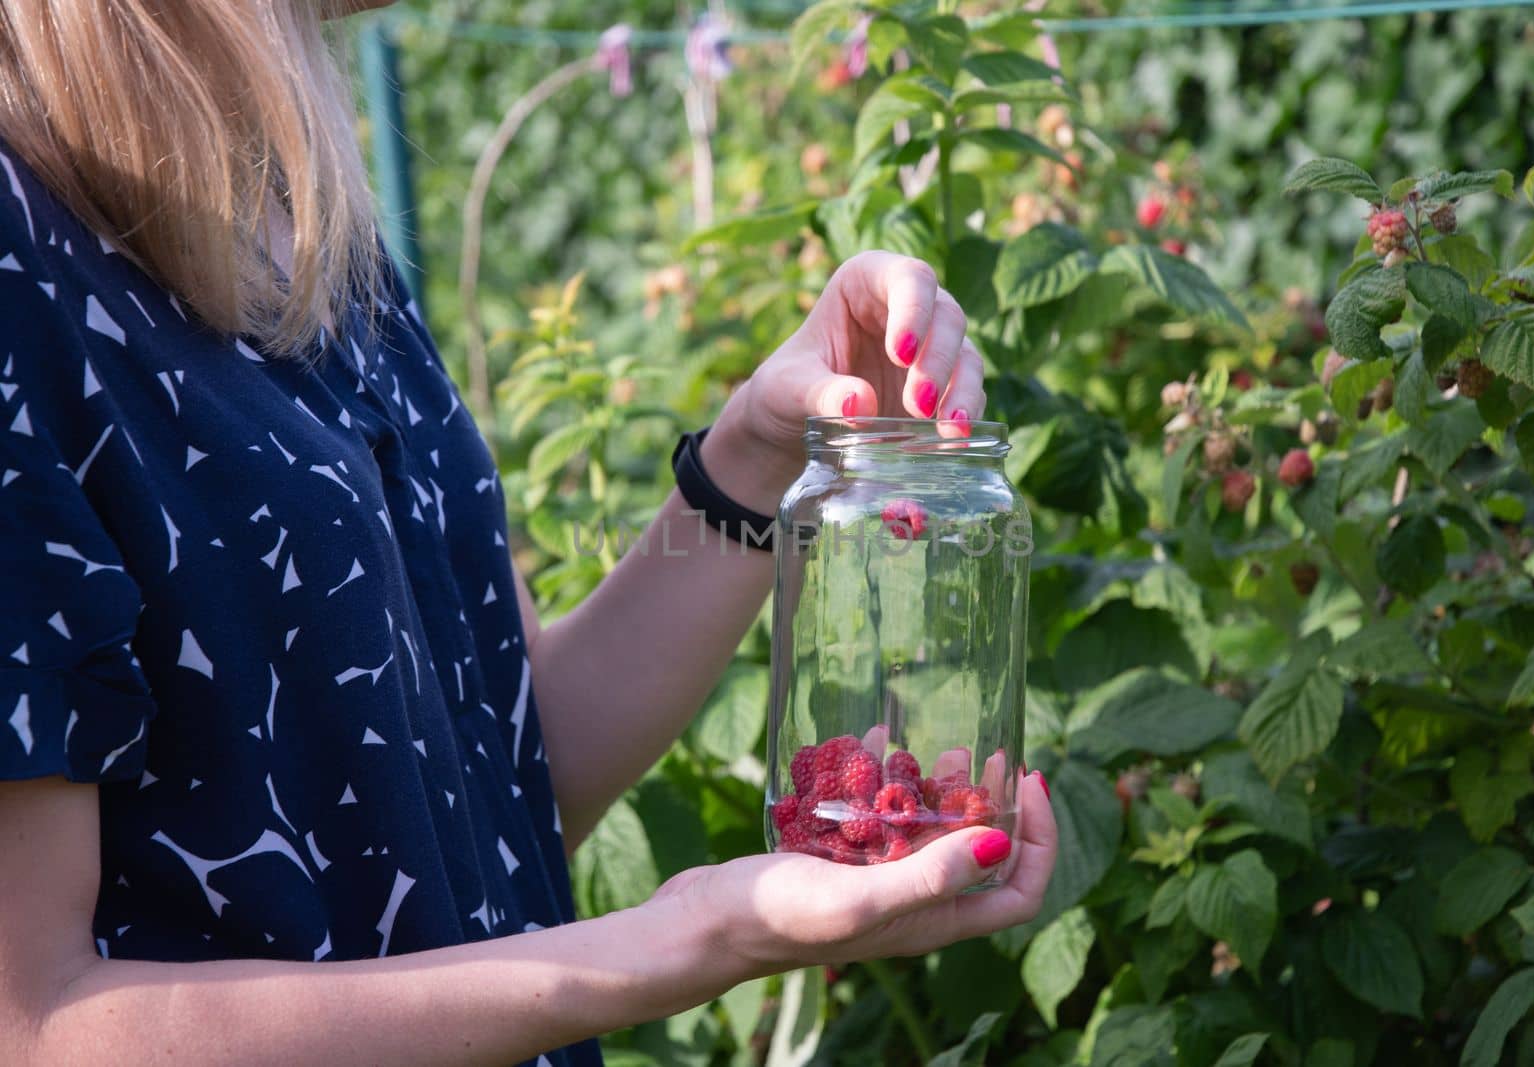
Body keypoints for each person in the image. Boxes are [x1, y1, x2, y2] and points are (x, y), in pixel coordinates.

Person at [0, 2, 1058, 1064]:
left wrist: (759, 452)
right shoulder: (19, 255)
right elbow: (33, 1022)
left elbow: (501, 780)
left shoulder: (281, 196)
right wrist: (686, 934)